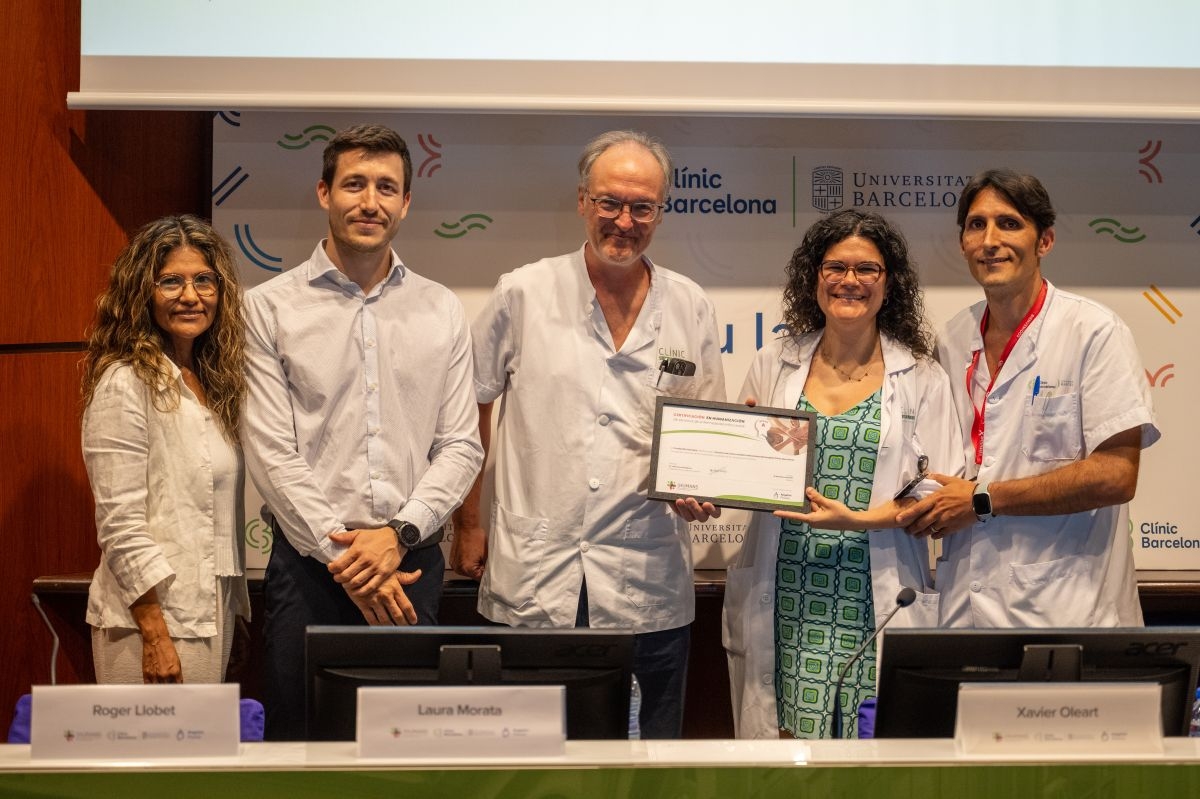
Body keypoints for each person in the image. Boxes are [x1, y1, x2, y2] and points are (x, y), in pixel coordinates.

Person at [451, 130, 726, 739]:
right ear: (582, 201)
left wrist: (706, 485)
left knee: (644, 764)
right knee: (526, 763)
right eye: (610, 202)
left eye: (642, 207)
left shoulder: (691, 305)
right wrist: (467, 523)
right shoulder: (523, 291)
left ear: (661, 211)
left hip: (646, 579)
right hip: (535, 571)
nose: (624, 221)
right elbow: (470, 407)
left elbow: (705, 428)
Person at [242, 123, 483, 740]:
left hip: (410, 568)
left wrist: (397, 537)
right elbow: (272, 453)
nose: (369, 202)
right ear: (324, 192)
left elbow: (461, 445)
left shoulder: (442, 308)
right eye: (354, 184)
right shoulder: (267, 307)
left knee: (405, 755)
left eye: (386, 187)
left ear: (406, 202)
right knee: (301, 753)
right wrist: (349, 561)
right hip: (308, 570)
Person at [718, 209, 963, 739]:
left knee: (872, 754)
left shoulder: (922, 376)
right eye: (835, 267)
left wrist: (858, 520)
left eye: (867, 269)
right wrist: (731, 461)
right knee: (787, 759)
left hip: (874, 597)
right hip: (787, 592)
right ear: (815, 278)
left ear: (888, 284)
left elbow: (940, 493)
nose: (850, 280)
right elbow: (741, 472)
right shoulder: (774, 362)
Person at [895, 168, 1159, 628]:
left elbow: (1116, 475)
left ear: (1045, 241)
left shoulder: (1093, 332)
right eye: (976, 225)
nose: (990, 240)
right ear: (962, 243)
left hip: (1066, 610)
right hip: (965, 608)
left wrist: (982, 500)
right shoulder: (951, 339)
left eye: (1009, 223)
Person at [82, 215, 250, 684]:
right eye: (171, 281)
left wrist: (232, 611)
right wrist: (155, 632)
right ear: (142, 292)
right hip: (148, 623)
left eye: (204, 280)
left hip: (210, 612)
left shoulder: (213, 385)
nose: (191, 296)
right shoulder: (124, 382)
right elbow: (120, 523)